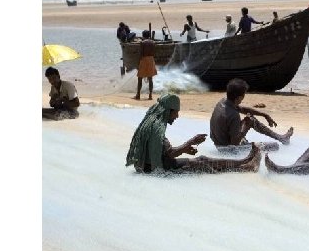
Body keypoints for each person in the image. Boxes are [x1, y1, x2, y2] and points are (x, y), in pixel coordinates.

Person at [125, 93, 261, 174]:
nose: (177, 116)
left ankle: (245, 162)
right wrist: (189, 143)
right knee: (203, 162)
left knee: (203, 161)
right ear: (168, 111)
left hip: (147, 166)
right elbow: (169, 154)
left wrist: (185, 148)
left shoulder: (150, 121)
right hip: (156, 169)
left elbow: (161, 152)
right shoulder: (157, 127)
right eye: (176, 112)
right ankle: (245, 166)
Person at [209, 78, 294, 151]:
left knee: (251, 119)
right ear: (239, 98)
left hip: (219, 143)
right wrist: (245, 127)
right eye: (244, 95)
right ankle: (281, 139)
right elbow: (234, 143)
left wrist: (264, 115)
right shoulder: (233, 115)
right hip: (228, 150)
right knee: (274, 146)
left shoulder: (223, 102)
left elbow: (242, 109)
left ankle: (281, 138)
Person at [134, 30, 157, 101]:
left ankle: (138, 94)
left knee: (140, 78)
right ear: (149, 35)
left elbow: (141, 53)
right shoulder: (153, 42)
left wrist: (138, 63)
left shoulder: (142, 43)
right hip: (151, 59)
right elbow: (154, 52)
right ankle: (150, 95)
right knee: (150, 79)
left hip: (144, 59)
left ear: (143, 35)